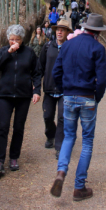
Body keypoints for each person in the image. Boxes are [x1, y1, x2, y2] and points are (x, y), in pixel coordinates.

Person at [50, 13, 106, 202]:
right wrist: (96, 97)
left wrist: (64, 89)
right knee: (87, 141)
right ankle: (79, 187)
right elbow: (103, 79)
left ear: (84, 28)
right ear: (97, 32)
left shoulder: (67, 45)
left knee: (68, 136)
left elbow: (55, 72)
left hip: (68, 96)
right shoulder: (98, 48)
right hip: (87, 97)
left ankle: (61, 171)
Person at [0, 25, 41, 176]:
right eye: (11, 39)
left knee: (18, 128)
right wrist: (8, 52)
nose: (14, 42)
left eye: (17, 39)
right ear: (8, 39)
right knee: (2, 127)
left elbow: (37, 73)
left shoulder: (29, 53)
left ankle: (14, 157)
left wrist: (37, 90)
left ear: (22, 39)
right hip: (5, 95)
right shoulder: (3, 51)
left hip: (23, 96)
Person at [39, 18, 73, 158]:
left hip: (64, 90)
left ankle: (59, 147)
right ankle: (50, 135)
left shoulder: (70, 48)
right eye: (58, 29)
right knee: (47, 116)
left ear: (66, 32)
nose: (59, 32)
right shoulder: (48, 47)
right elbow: (40, 67)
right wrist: (35, 87)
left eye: (62, 30)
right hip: (49, 88)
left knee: (62, 118)